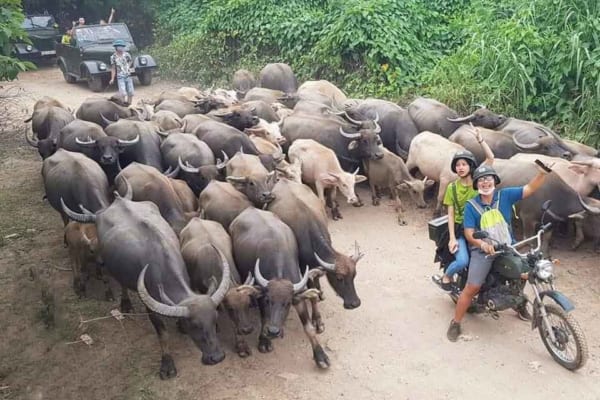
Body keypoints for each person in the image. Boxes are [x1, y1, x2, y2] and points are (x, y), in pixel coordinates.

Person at [446, 161, 553, 342]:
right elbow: (469, 233)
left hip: (507, 246)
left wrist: (542, 173)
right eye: (481, 180)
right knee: (472, 287)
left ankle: (518, 303)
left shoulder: (505, 195)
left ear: (495, 181)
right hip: (484, 250)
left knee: (525, 270)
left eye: (488, 179)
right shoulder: (471, 206)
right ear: (477, 184)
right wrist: (482, 245)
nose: (485, 183)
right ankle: (456, 322)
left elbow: (529, 189)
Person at [434, 125, 495, 291]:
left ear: (471, 166)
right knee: (462, 261)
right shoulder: (452, 188)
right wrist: (452, 238)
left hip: (483, 228)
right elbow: (451, 215)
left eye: (464, 164)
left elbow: (490, 158)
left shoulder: (479, 182)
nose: (460, 167)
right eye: (458, 165)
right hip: (462, 230)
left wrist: (480, 139)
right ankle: (446, 276)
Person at [109, 39, 134, 106]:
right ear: (116, 47)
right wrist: (112, 78)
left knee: (131, 92)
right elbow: (113, 68)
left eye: (122, 46)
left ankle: (129, 105)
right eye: (119, 46)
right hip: (120, 76)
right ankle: (123, 105)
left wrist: (128, 66)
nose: (121, 47)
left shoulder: (127, 55)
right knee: (123, 93)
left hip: (128, 75)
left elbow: (130, 61)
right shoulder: (113, 57)